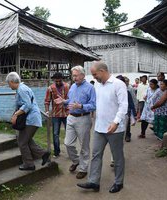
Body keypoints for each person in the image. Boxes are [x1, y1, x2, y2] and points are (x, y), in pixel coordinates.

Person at [77, 61, 128, 193]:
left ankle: (119, 182)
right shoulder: (98, 86)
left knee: (117, 157)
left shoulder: (118, 84)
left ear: (103, 71)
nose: (94, 77)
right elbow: (96, 104)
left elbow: (123, 106)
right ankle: (94, 182)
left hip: (115, 129)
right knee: (96, 155)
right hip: (99, 127)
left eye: (95, 74)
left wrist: (116, 122)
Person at [55, 66, 96, 179]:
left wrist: (81, 106)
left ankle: (83, 168)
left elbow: (93, 105)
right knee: (68, 143)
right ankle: (76, 160)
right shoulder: (72, 86)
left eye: (76, 75)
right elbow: (70, 101)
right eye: (73, 75)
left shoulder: (90, 88)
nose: (74, 78)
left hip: (83, 118)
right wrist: (64, 101)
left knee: (84, 145)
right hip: (71, 117)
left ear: (83, 75)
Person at [7, 72, 50, 171]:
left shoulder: (21, 89)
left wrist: (15, 115)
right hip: (31, 119)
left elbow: (27, 105)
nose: (9, 86)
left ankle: (29, 164)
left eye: (9, 84)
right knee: (27, 140)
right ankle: (43, 154)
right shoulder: (22, 88)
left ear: (12, 81)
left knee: (22, 142)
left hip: (31, 120)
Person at [44, 72, 69, 158]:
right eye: (56, 81)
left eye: (60, 81)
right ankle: (56, 152)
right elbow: (47, 101)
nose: (58, 82)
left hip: (67, 114)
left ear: (62, 79)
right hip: (56, 114)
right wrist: (47, 111)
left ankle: (70, 152)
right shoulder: (50, 88)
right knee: (55, 134)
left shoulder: (67, 87)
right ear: (54, 80)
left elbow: (72, 99)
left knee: (69, 133)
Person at [116, 75, 137, 142]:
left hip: (126, 111)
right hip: (115, 111)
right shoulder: (112, 90)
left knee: (127, 125)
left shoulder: (127, 91)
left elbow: (131, 102)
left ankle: (127, 135)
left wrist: (134, 112)